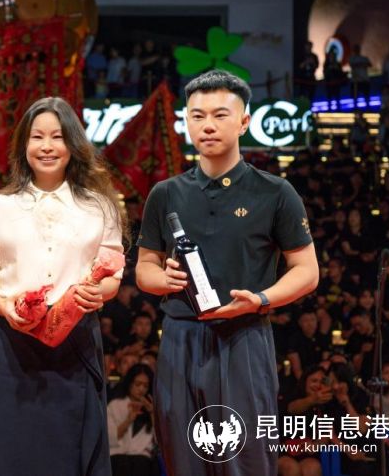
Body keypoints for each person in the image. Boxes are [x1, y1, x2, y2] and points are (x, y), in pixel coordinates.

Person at [135, 69, 319, 476]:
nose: (208, 125)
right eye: (197, 116)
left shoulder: (275, 192)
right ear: (186, 122)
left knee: (245, 460)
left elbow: (307, 271)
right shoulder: (165, 194)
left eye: (220, 115)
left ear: (244, 122)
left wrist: (262, 299)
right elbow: (144, 268)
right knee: (182, 459)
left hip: (244, 337)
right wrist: (161, 279)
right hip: (180, 337)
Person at [0, 96, 126, 476]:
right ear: (23, 145)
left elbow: (113, 274)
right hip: (11, 340)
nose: (46, 146)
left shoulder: (100, 206)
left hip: (75, 338)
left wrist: (99, 292)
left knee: (72, 450)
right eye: (37, 137)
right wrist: (5, 306)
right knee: (12, 453)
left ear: (72, 145)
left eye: (57, 137)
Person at [106, 363, 158, 476]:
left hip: (142, 460)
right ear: (129, 383)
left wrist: (152, 413)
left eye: (145, 386)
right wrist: (128, 420)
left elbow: (158, 442)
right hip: (118, 456)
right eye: (138, 384)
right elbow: (109, 438)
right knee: (121, 463)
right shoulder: (115, 405)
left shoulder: (153, 409)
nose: (141, 389)